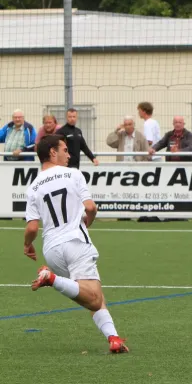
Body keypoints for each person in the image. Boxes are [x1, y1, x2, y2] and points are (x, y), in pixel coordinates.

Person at [24, 134, 128, 353]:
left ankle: (114, 338)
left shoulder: (33, 187)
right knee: (93, 297)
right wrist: (87, 223)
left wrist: (27, 245)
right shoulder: (73, 174)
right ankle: (50, 278)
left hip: (51, 249)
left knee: (90, 295)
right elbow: (91, 207)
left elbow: (32, 228)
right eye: (65, 150)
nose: (69, 155)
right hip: (74, 242)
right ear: (52, 152)